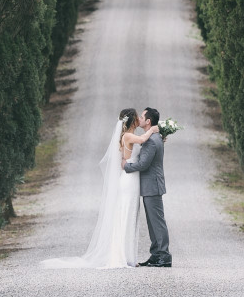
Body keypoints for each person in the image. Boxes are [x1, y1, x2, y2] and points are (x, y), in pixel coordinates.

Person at [40, 108, 159, 269]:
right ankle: (122, 256)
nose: (139, 118)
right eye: (137, 116)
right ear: (132, 120)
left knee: (130, 216)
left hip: (132, 180)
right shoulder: (128, 136)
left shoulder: (128, 136)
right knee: (125, 216)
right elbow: (144, 140)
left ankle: (129, 256)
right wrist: (153, 129)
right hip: (129, 180)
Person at [123, 107, 172, 267]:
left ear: (148, 121)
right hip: (149, 186)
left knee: (157, 222)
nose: (140, 119)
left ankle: (164, 256)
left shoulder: (151, 140)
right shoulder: (152, 137)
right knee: (152, 222)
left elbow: (143, 164)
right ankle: (156, 254)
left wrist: (127, 167)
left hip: (153, 186)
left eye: (142, 117)